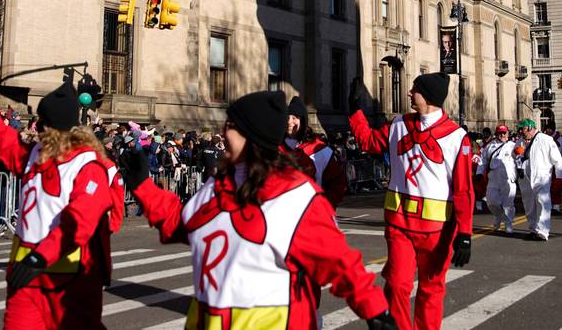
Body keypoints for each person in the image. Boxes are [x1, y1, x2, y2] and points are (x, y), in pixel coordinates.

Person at [123, 90, 395, 329]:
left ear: (250, 135)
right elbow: (178, 222)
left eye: (230, 125)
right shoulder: (217, 186)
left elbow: (339, 260)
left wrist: (374, 309)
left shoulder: (296, 195)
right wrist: (142, 185)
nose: (222, 132)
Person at [0, 81, 122, 329]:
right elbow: (8, 145)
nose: (36, 128)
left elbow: (81, 219)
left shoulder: (88, 166)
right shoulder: (36, 154)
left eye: (41, 123)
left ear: (52, 127)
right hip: (25, 272)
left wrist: (42, 257)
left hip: (69, 276)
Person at [348, 74, 473, 329]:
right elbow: (369, 142)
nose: (408, 93)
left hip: (436, 230)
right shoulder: (398, 125)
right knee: (396, 284)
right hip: (399, 223)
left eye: (414, 89)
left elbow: (463, 190)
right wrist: (355, 112)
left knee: (431, 290)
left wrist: (465, 233)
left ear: (427, 96)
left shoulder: (456, 136)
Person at [284, 96, 347, 209]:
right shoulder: (276, 147)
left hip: (310, 215)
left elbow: (337, 184)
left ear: (303, 121)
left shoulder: (321, 151)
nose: (289, 122)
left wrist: (323, 207)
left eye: (295, 117)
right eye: (287, 117)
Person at [516, 117, 562, 240]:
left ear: (530, 128)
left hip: (541, 177)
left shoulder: (546, 140)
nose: (521, 132)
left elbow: (557, 160)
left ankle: (542, 232)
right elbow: (514, 155)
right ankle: (533, 229)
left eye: (523, 129)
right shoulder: (520, 141)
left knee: (543, 203)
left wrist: (559, 177)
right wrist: (516, 153)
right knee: (529, 205)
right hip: (525, 178)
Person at [483, 125, 519, 232]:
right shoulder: (490, 146)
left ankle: (508, 223)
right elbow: (483, 161)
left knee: (508, 203)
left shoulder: (513, 145)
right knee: (491, 201)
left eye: (504, 133)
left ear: (508, 134)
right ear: (496, 134)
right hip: (493, 178)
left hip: (508, 178)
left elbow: (520, 157)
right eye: (500, 133)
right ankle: (498, 215)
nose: (502, 135)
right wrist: (480, 172)